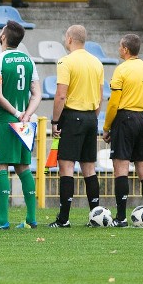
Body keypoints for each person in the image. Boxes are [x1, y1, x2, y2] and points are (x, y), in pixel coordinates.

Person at [49, 25, 105, 228]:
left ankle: (63, 218)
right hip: (91, 117)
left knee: (67, 166)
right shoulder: (96, 62)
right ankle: (95, 216)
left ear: (70, 38)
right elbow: (100, 97)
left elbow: (61, 95)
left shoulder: (66, 61)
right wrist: (93, 116)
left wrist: (55, 121)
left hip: (72, 117)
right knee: (89, 167)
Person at [102, 34, 143, 227]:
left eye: (120, 47)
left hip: (124, 118)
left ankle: (121, 217)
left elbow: (113, 103)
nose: (119, 50)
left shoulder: (121, 70)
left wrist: (107, 126)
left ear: (125, 49)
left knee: (121, 169)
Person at [0, 21, 41, 229]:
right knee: (23, 168)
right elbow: (36, 93)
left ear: (4, 36)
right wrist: (27, 114)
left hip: (4, 121)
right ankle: (31, 219)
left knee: (0, 166)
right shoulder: (29, 61)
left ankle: (2, 220)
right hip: (24, 122)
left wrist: (17, 113)